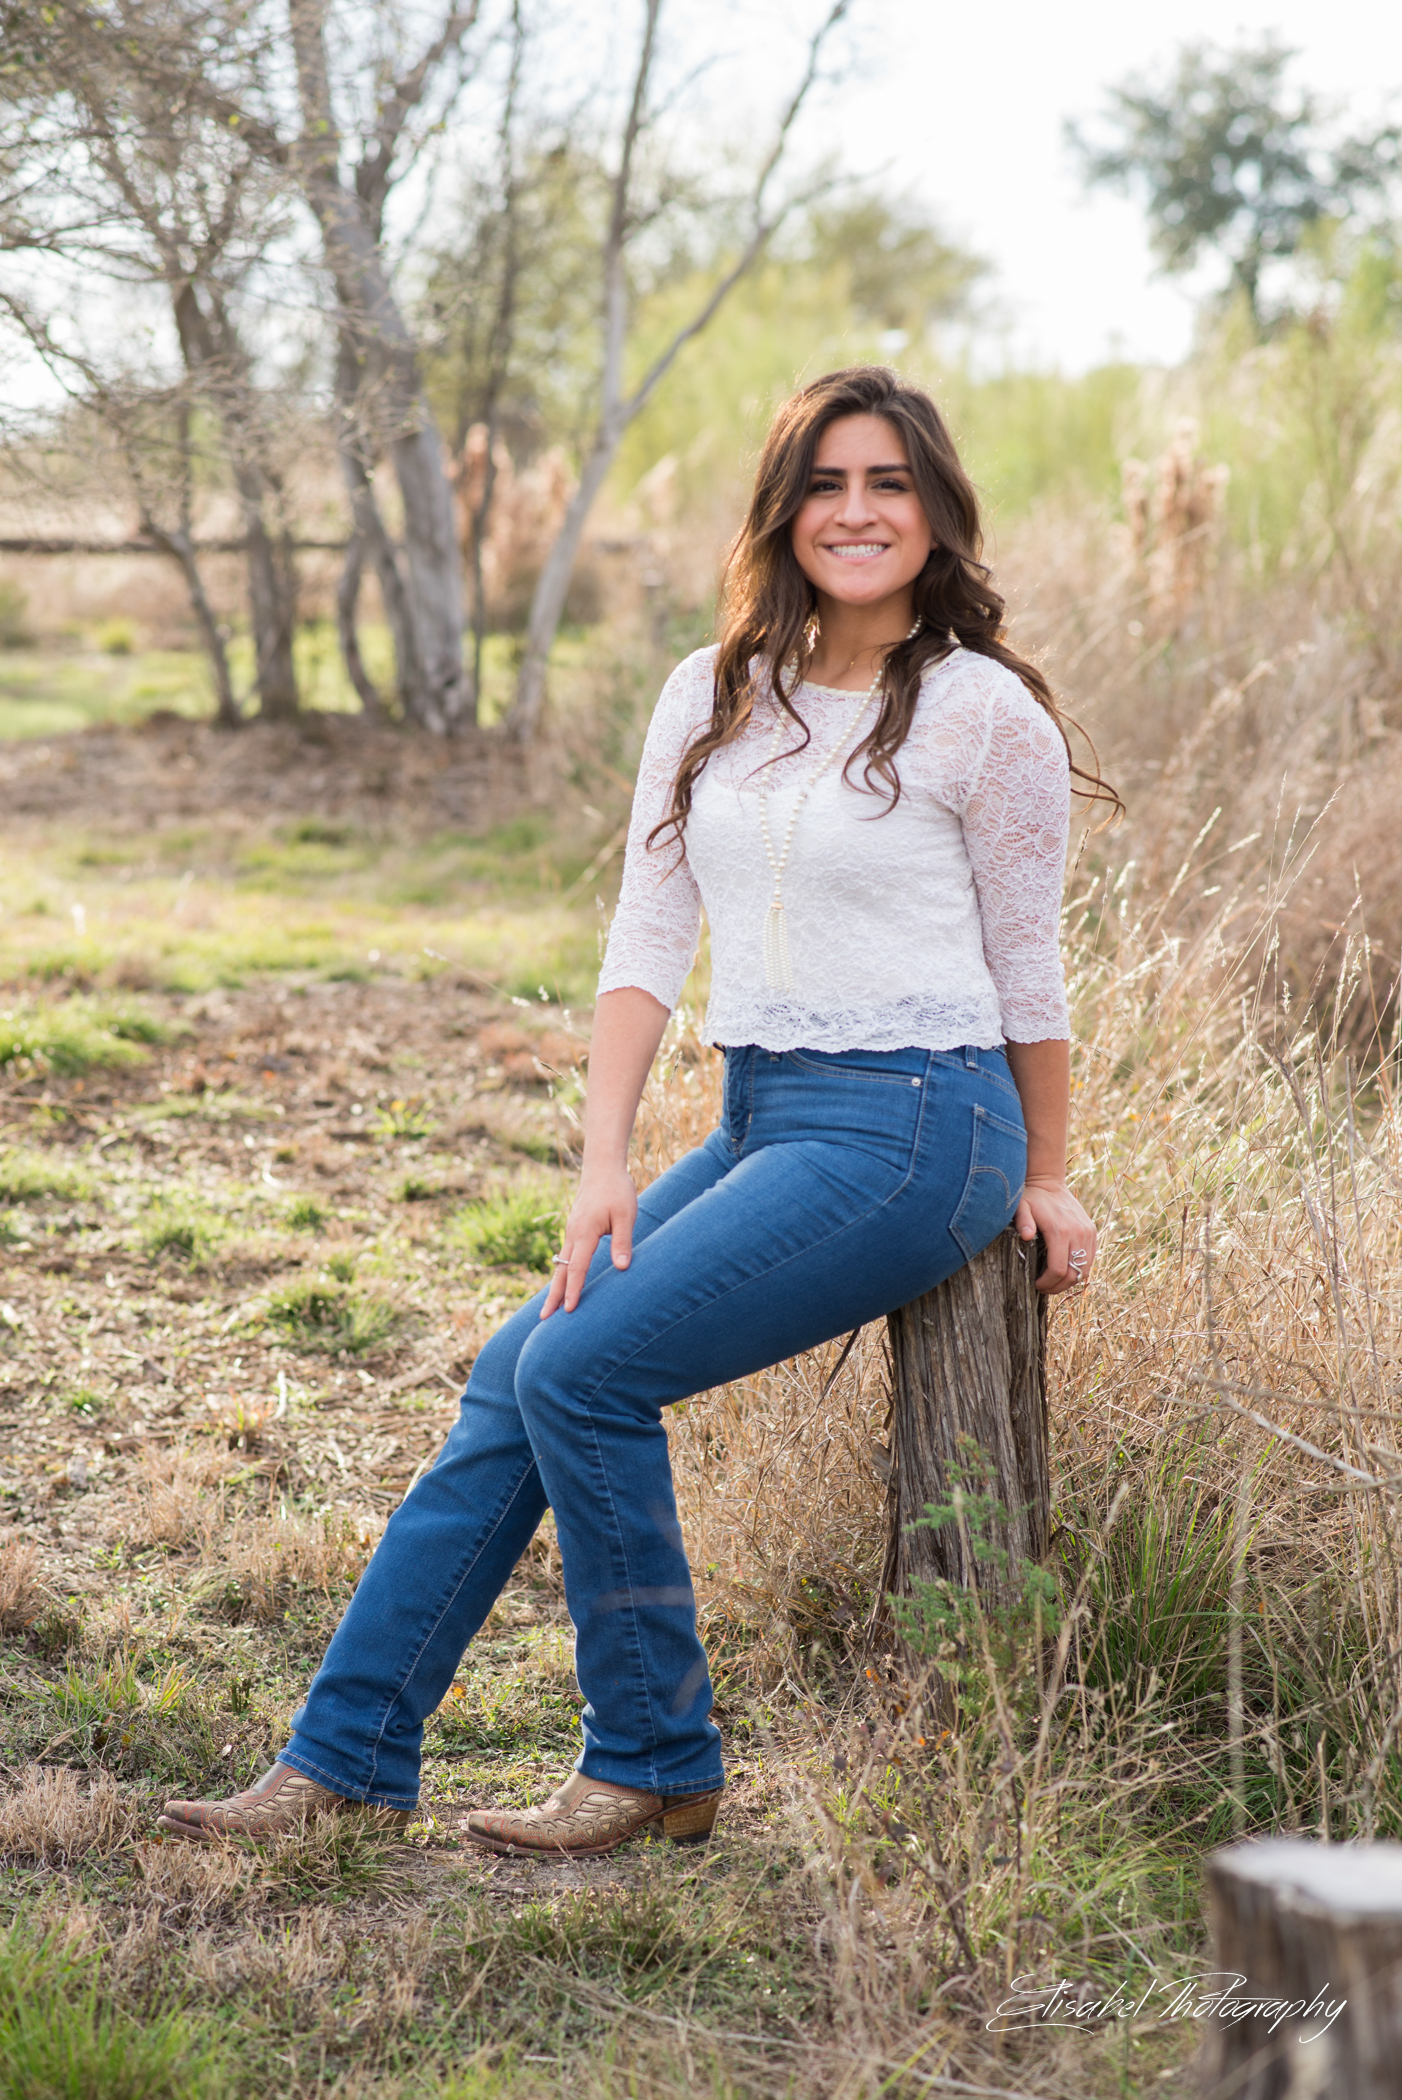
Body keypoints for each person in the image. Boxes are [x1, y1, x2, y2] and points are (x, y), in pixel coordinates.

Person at [158, 365, 1106, 1860]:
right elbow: (648, 934)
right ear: (783, 510)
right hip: (763, 1111)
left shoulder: (983, 714)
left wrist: (1046, 1172)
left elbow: (1028, 966)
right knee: (513, 1373)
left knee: (585, 1369)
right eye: (826, 483)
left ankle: (654, 1760)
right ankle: (343, 1760)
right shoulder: (713, 690)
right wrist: (601, 1161)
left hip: (926, 1123)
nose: (856, 512)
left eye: (889, 484)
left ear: (936, 511)